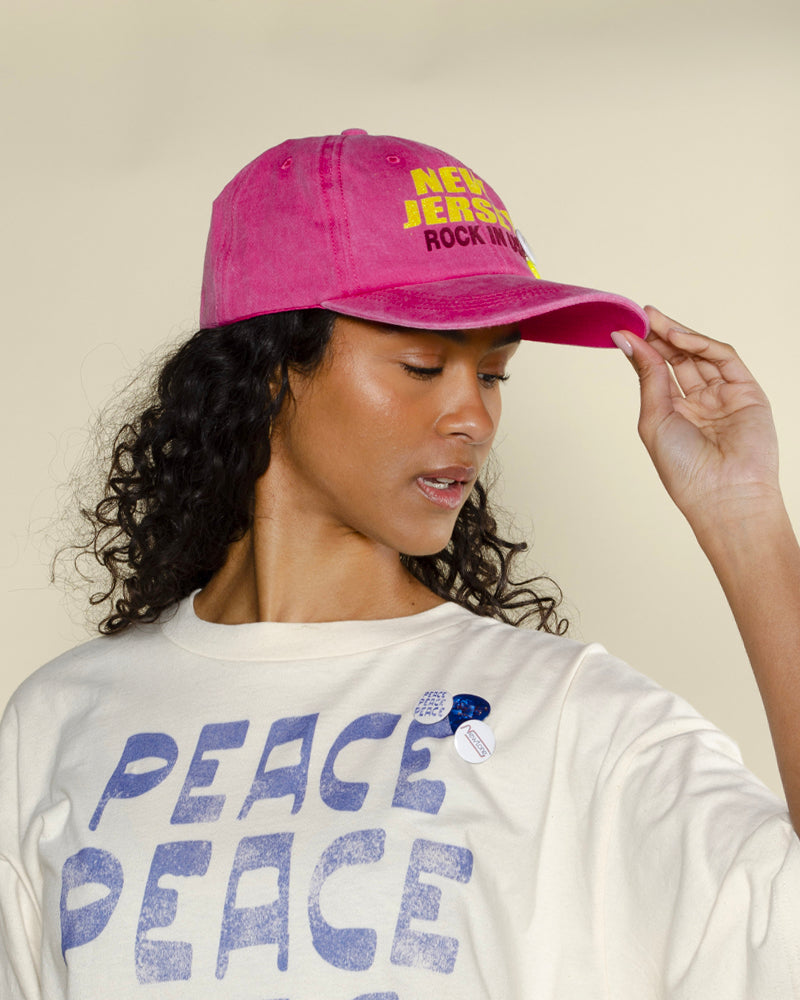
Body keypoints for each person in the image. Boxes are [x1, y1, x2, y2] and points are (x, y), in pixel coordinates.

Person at [1, 129, 799, 1000]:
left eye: (493, 375)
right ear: (267, 372)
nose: (473, 419)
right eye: (423, 366)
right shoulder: (61, 721)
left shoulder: (572, 720)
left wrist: (745, 517)